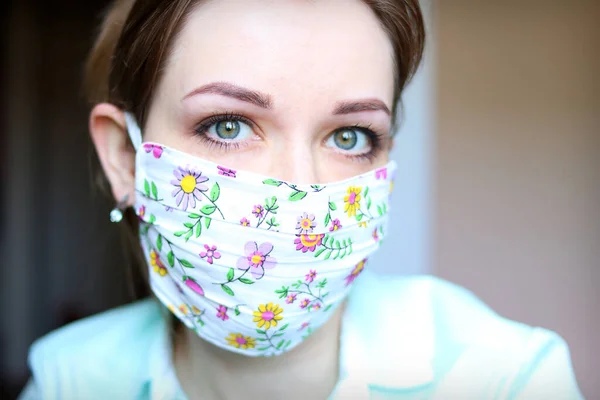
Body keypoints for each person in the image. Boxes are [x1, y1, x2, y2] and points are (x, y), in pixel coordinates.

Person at [20, 0, 583, 399]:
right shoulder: (69, 380)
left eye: (349, 136)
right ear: (124, 154)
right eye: (230, 125)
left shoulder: (505, 378)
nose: (300, 187)